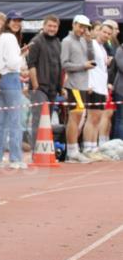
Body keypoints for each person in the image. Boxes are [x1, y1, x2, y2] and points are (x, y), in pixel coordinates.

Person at [0, 11, 26, 169]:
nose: (17, 23)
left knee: (1, 122)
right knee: (15, 121)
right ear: (9, 22)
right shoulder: (11, 38)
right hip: (10, 78)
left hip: (0, 79)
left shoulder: (1, 38)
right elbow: (13, 63)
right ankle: (16, 158)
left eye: (19, 21)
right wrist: (22, 56)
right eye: (14, 21)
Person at [61, 14, 96, 164]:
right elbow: (65, 64)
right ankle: (72, 151)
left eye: (85, 27)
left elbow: (91, 59)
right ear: (74, 24)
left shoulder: (83, 40)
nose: (83, 30)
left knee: (79, 117)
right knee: (74, 118)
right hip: (74, 85)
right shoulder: (67, 41)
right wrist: (83, 66)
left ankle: (73, 150)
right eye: (81, 26)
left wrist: (88, 42)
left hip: (83, 85)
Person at [26, 14, 62, 151]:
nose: (52, 29)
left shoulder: (58, 42)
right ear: (44, 25)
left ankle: (44, 149)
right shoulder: (36, 41)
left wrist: (61, 87)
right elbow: (31, 64)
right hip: (39, 87)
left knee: (47, 120)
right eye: (50, 26)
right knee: (38, 120)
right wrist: (35, 85)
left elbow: (59, 65)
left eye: (55, 26)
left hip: (53, 88)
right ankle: (36, 150)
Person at [82, 21, 110, 160]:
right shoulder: (91, 45)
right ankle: (87, 147)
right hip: (93, 86)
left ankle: (93, 147)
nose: (106, 35)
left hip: (101, 87)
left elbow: (103, 70)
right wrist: (88, 84)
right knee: (92, 118)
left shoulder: (103, 49)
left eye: (109, 34)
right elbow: (87, 65)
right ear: (98, 31)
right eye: (104, 32)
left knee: (98, 118)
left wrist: (105, 89)